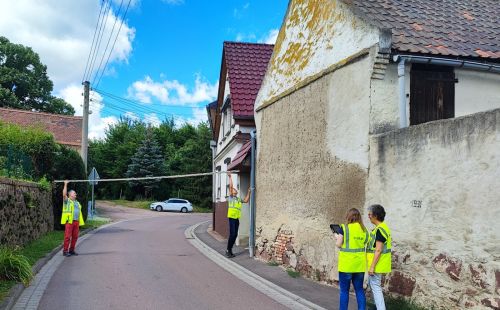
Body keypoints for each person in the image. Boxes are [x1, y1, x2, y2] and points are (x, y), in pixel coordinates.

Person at [334, 208, 369, 310]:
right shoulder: (364, 230)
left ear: (348, 216)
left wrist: (336, 236)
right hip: (359, 266)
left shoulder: (344, 228)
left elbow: (339, 244)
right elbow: (365, 242)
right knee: (359, 290)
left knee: (344, 291)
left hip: (346, 265)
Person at [366, 204, 391, 310]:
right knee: (375, 287)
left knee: (376, 288)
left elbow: (378, 249)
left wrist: (372, 267)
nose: (368, 216)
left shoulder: (380, 229)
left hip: (377, 264)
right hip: (378, 264)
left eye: (370, 214)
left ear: (375, 216)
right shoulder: (380, 228)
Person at [225, 173, 251, 258]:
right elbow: (231, 186)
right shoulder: (231, 198)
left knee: (235, 235)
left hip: (236, 218)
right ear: (232, 192)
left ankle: (230, 249)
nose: (234, 189)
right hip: (232, 217)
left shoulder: (238, 199)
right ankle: (228, 250)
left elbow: (246, 200)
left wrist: (248, 192)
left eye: (235, 189)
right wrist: (230, 177)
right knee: (232, 234)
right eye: (233, 189)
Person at [61, 180, 85, 257]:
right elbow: (64, 194)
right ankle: (65, 251)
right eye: (74, 193)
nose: (76, 194)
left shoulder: (77, 203)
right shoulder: (67, 201)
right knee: (67, 237)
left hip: (76, 222)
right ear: (70, 194)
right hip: (69, 221)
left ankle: (71, 250)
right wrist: (65, 184)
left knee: (75, 237)